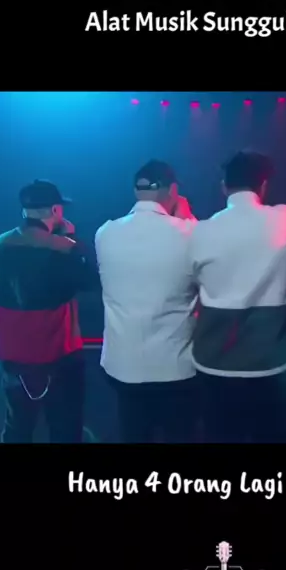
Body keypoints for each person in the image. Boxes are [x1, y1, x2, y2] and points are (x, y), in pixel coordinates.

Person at [190, 150, 286, 442]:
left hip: (215, 361)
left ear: (224, 186)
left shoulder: (200, 231)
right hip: (274, 362)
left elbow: (191, 282)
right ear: (263, 186)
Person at [0, 180, 97, 443]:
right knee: (65, 429)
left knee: (17, 427)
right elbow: (90, 281)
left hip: (10, 359)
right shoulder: (63, 248)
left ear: (24, 211)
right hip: (57, 358)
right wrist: (71, 239)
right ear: (56, 210)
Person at [95, 160, 199, 443]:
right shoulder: (189, 233)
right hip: (175, 367)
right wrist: (187, 217)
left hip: (122, 366)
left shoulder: (105, 233)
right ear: (173, 190)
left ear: (135, 191)